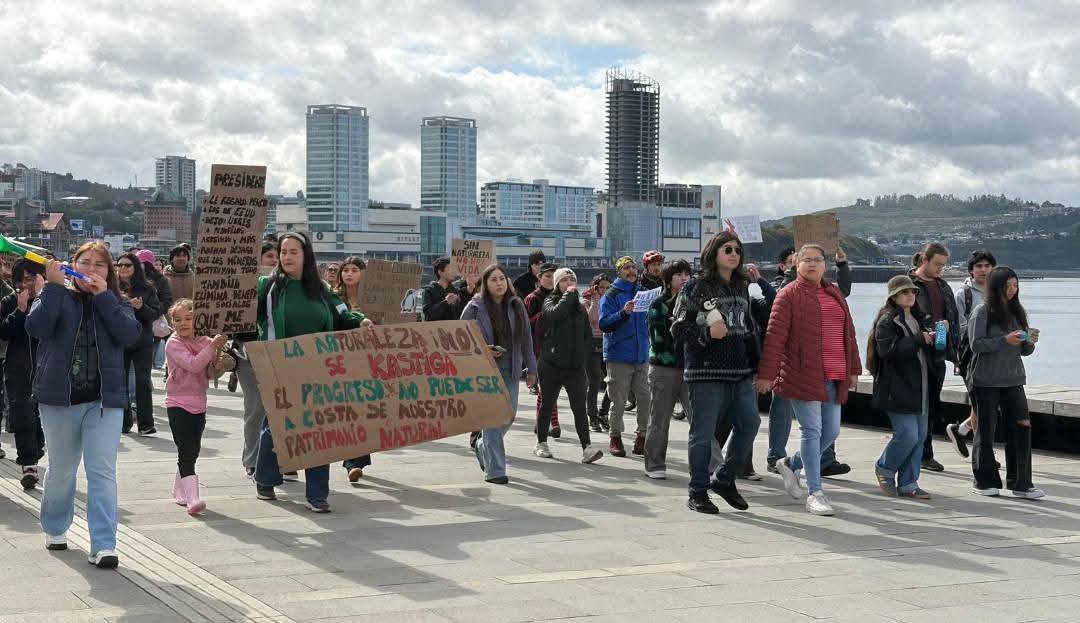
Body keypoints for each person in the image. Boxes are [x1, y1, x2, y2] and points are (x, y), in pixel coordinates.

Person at [27, 243, 141, 568]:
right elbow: (36, 328)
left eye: (99, 265)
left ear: (109, 272)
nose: (91, 269)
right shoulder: (56, 295)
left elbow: (130, 336)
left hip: (105, 401)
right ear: (71, 265)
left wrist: (104, 298)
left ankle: (104, 544)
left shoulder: (117, 302)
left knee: (101, 471)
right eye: (84, 262)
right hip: (58, 398)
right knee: (62, 469)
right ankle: (54, 527)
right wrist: (51, 287)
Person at [253, 233, 364, 513]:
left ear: (306, 256)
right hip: (279, 367)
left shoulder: (322, 288)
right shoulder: (268, 286)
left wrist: (360, 321)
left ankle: (317, 495)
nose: (287, 257)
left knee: (318, 428)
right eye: (283, 252)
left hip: (318, 369)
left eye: (294, 252)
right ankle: (265, 478)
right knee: (276, 425)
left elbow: (342, 314)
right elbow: (244, 315)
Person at [759, 244, 862, 516]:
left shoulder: (834, 293)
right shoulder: (788, 294)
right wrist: (767, 375)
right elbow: (775, 337)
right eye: (806, 260)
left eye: (817, 259)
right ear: (796, 263)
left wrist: (854, 369)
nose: (812, 264)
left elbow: (849, 334)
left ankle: (791, 463)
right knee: (811, 431)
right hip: (802, 373)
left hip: (834, 374)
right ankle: (815, 493)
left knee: (831, 432)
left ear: (825, 265)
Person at [672, 233, 761, 513]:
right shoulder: (696, 286)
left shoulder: (740, 286)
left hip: (740, 371)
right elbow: (678, 327)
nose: (734, 254)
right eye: (727, 249)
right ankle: (697, 491)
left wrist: (759, 367)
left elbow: (749, 330)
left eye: (737, 250)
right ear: (714, 253)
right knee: (703, 434)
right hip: (706, 372)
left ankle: (723, 478)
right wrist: (707, 333)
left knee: (750, 424)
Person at [968, 267, 1043, 499]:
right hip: (986, 379)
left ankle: (1021, 483)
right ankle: (984, 481)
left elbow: (1023, 351)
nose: (1012, 290)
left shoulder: (1017, 312)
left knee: (1022, 426)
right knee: (986, 430)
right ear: (995, 287)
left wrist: (1030, 342)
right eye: (1007, 285)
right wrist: (1004, 340)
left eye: (1015, 285)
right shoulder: (982, 311)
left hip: (1014, 378)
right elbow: (976, 344)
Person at [460, 264, 538, 483]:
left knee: (508, 415)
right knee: (493, 418)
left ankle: (482, 445)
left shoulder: (516, 305)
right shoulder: (474, 306)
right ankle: (495, 471)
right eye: (493, 280)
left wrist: (532, 369)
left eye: (502, 279)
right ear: (485, 284)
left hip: (511, 367)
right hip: (485, 370)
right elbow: (460, 338)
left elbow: (526, 340)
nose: (499, 283)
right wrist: (483, 349)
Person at [867, 276, 934, 499]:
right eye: (905, 292)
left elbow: (928, 350)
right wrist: (919, 339)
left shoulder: (920, 319)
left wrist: (938, 338)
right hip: (897, 388)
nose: (910, 295)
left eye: (913, 292)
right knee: (907, 434)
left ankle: (908, 483)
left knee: (920, 436)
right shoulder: (887, 321)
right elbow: (888, 352)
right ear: (894, 296)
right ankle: (885, 468)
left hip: (921, 387)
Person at [533, 267, 604, 464]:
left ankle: (587, 447)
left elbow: (587, 336)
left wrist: (582, 355)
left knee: (579, 407)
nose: (569, 283)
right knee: (547, 403)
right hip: (551, 364)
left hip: (575, 367)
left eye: (572, 279)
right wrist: (569, 295)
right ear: (557, 285)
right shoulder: (550, 301)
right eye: (564, 280)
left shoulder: (580, 308)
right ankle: (541, 443)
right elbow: (554, 315)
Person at [164, 299, 227, 515]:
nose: (182, 323)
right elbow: (193, 365)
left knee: (192, 450)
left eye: (188, 318)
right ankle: (193, 499)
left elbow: (209, 371)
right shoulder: (173, 343)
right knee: (187, 449)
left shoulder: (206, 341)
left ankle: (179, 490)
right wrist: (212, 347)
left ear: (199, 320)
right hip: (177, 402)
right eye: (177, 320)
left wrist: (219, 360)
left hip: (199, 402)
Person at [910, 242, 960, 472]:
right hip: (916, 352)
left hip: (938, 351)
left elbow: (954, 320)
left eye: (943, 265)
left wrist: (955, 353)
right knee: (917, 404)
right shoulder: (909, 284)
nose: (941, 269)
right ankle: (919, 452)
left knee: (932, 403)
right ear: (924, 260)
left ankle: (925, 454)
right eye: (937, 264)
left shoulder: (943, 286)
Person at [232, 240, 280, 478]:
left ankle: (279, 460)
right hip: (248, 351)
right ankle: (252, 459)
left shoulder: (285, 286)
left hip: (278, 352)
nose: (275, 260)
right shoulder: (242, 285)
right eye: (269, 256)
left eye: (277, 256)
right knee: (255, 408)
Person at [643, 260, 691, 480]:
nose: (684, 278)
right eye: (679, 274)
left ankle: (709, 465)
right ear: (668, 279)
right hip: (664, 368)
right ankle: (654, 464)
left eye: (687, 274)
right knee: (659, 420)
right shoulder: (658, 304)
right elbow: (659, 340)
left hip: (690, 368)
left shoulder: (694, 302)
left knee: (699, 419)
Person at [946, 250, 997, 458]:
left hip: (995, 355)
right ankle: (984, 455)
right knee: (981, 404)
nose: (983, 270)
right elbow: (960, 327)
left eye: (987, 266)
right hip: (971, 357)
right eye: (979, 266)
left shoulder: (999, 291)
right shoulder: (963, 295)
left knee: (987, 404)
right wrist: (987, 334)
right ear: (971, 270)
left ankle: (961, 430)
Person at [0, 259, 46, 489]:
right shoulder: (9, 301)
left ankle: (36, 447)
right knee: (21, 414)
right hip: (17, 367)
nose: (29, 283)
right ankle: (29, 465)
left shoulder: (50, 300)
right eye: (24, 279)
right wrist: (19, 310)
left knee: (37, 417)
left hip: (47, 367)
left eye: (33, 277)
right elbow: (4, 332)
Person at [600, 256, 652, 457]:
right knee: (618, 400)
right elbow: (604, 324)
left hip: (641, 354)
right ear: (619, 271)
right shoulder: (611, 294)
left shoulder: (643, 293)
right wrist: (623, 313)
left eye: (633, 267)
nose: (632, 271)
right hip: (619, 354)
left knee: (645, 398)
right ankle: (615, 437)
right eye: (626, 268)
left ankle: (642, 437)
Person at [333, 256, 375, 482]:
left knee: (364, 412)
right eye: (346, 270)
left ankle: (356, 461)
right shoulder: (333, 298)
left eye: (354, 270)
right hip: (340, 362)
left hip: (370, 362)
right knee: (348, 412)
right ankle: (353, 462)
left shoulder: (376, 298)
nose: (349, 274)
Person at [116, 252, 162, 435]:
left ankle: (146, 423)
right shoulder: (111, 287)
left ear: (135, 267)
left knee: (143, 382)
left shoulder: (147, 288)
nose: (123, 268)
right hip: (120, 340)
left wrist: (140, 307)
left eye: (127, 265)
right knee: (120, 382)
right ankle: (124, 422)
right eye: (120, 265)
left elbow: (155, 313)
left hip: (142, 340)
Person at [525, 263, 562, 435]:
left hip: (559, 348)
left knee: (552, 387)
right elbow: (525, 325)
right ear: (539, 278)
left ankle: (542, 422)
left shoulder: (561, 297)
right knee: (547, 387)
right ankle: (552, 422)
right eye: (547, 276)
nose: (551, 279)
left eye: (554, 276)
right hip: (540, 349)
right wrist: (543, 315)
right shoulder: (532, 298)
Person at [582, 273, 612, 433]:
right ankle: (592, 417)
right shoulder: (585, 301)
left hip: (608, 343)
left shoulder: (613, 301)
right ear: (594, 287)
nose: (604, 291)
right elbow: (594, 320)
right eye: (601, 287)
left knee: (613, 381)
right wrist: (595, 298)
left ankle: (603, 413)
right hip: (591, 345)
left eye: (608, 288)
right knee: (594, 382)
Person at [138, 250, 173, 371]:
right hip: (145, 321)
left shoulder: (160, 279)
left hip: (149, 322)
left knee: (144, 358)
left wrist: (153, 312)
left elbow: (166, 301)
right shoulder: (132, 277)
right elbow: (167, 301)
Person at [421, 256, 464, 322]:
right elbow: (428, 315)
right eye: (450, 269)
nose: (453, 272)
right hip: (435, 328)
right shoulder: (429, 291)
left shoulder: (456, 291)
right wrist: (446, 302)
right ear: (440, 272)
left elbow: (461, 316)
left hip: (452, 328)